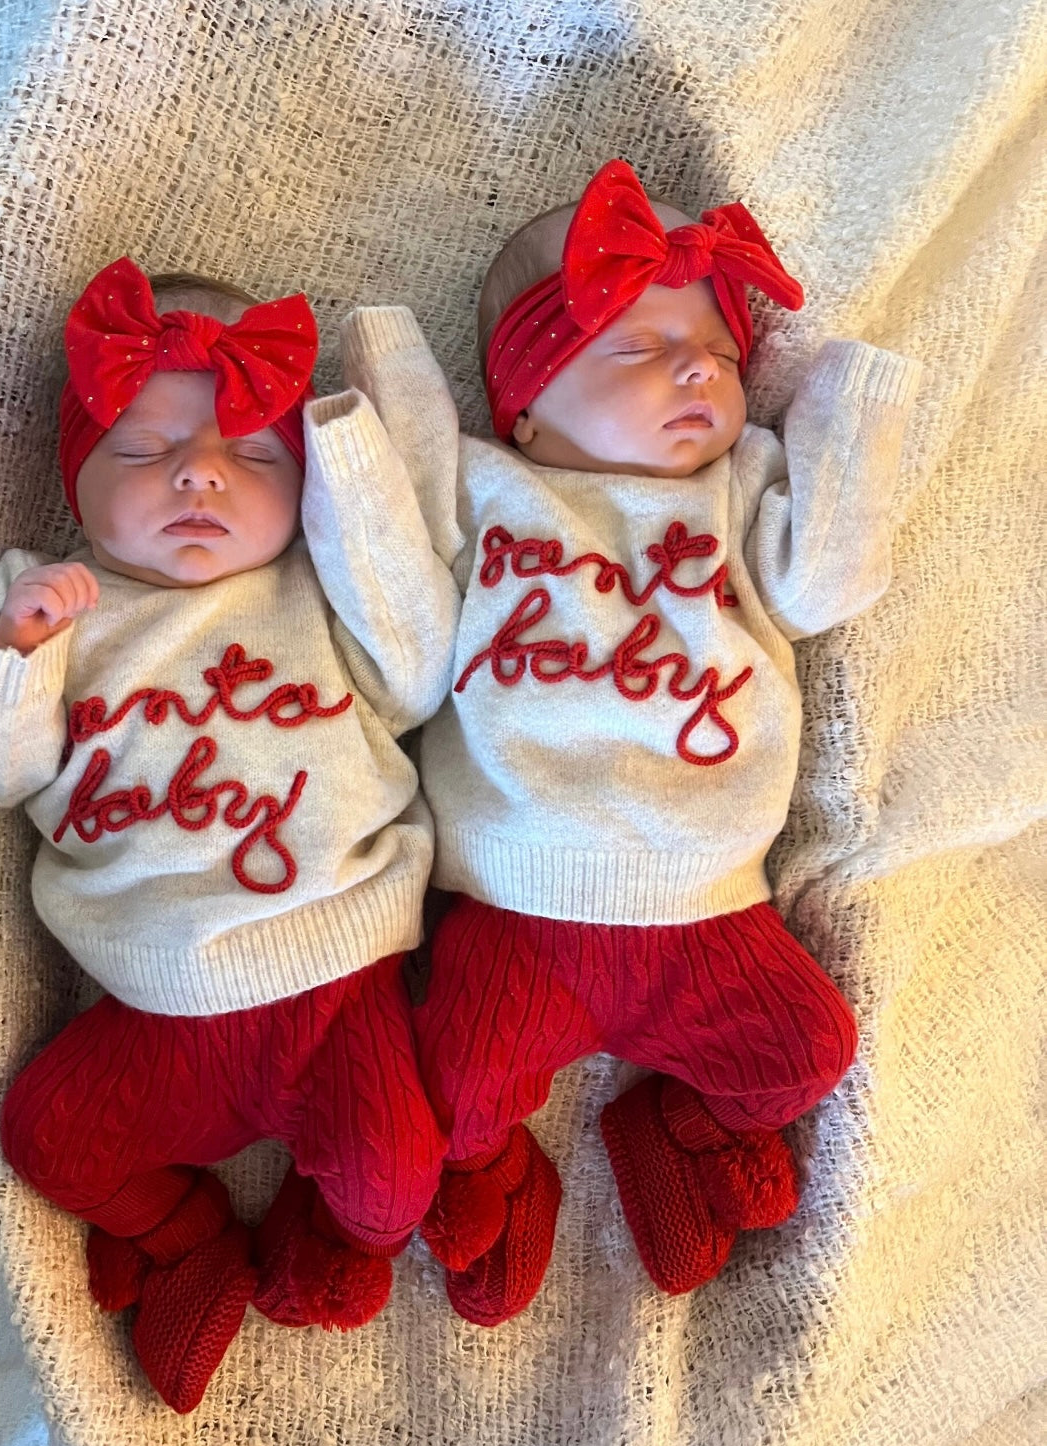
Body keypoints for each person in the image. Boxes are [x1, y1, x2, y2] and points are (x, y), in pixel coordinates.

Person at [335, 158, 921, 1325]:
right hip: (511, 904)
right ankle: (508, 1170)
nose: (695, 365)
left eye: (710, 343)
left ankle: (666, 1117)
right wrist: (381, 366)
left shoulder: (732, 491)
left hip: (708, 902)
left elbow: (824, 584)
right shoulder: (486, 489)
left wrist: (854, 406)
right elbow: (389, 534)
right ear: (524, 407)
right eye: (635, 347)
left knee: (805, 1051)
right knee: (447, 1097)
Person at [0, 257, 458, 1411]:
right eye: (141, 450)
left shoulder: (320, 585)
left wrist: (347, 480)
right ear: (77, 477)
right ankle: (189, 1234)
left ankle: (318, 1232)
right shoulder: (54, 601)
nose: (200, 472)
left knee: (389, 1185)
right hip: (150, 997)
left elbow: (416, 672)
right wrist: (11, 652)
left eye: (252, 455)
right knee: (47, 1141)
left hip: (337, 981)